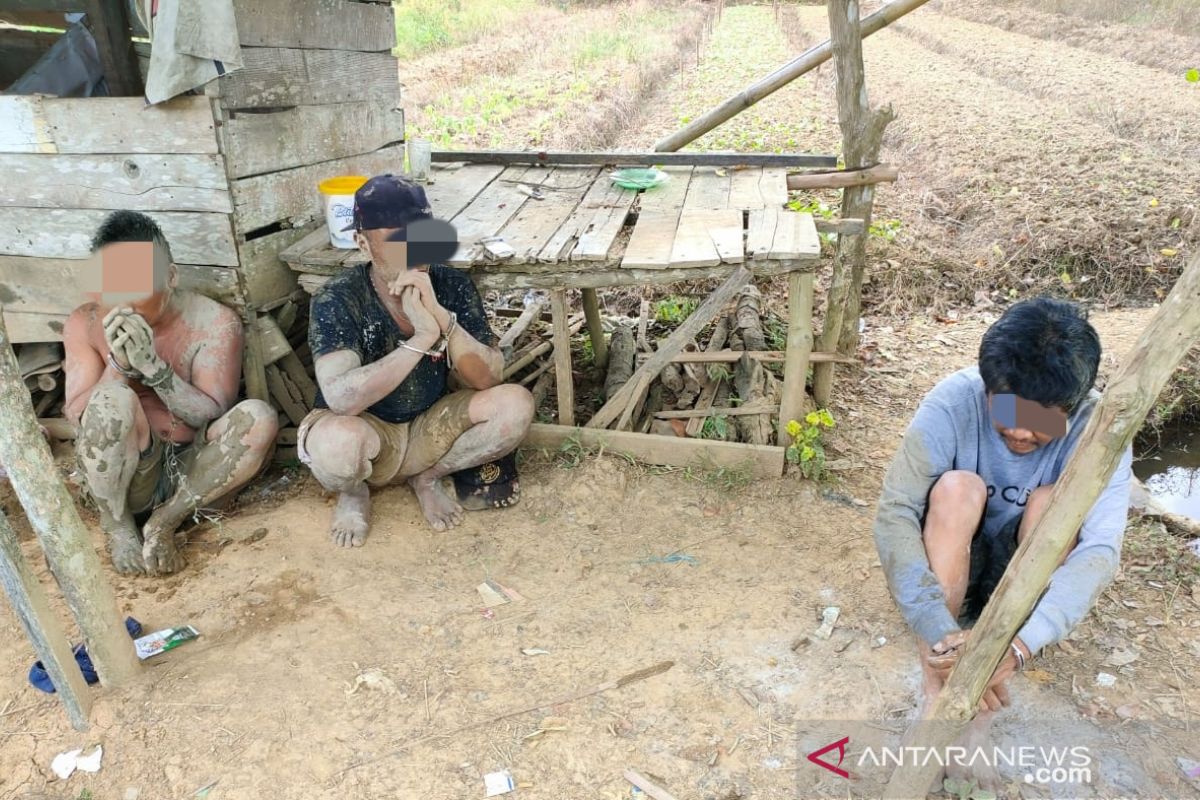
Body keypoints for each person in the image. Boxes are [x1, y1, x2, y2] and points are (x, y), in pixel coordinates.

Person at [873, 297, 1131, 791]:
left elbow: (1100, 551)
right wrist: (938, 632)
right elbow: (896, 512)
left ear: (1073, 408)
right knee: (956, 489)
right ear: (990, 387)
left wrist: (1016, 648)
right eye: (1008, 410)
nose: (1018, 431)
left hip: (1023, 578)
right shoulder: (954, 400)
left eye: (1042, 422)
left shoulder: (1098, 431)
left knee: (1054, 502)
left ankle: (978, 712)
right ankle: (937, 694)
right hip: (951, 561)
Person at [299, 174, 534, 547]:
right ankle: (354, 491)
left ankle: (427, 477)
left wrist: (441, 318)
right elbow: (342, 399)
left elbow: (488, 379)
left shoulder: (450, 285)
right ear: (363, 243)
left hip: (431, 423)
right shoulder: (338, 297)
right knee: (335, 446)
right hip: (368, 429)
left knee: (515, 405)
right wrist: (422, 338)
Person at [63, 211, 278, 575]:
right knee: (112, 399)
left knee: (259, 417)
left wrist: (157, 371)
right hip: (123, 480)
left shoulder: (213, 322)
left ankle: (165, 522)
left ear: (171, 276)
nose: (126, 304)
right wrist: (119, 367)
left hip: (195, 473)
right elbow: (78, 414)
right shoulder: (84, 322)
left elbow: (210, 413)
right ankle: (117, 526)